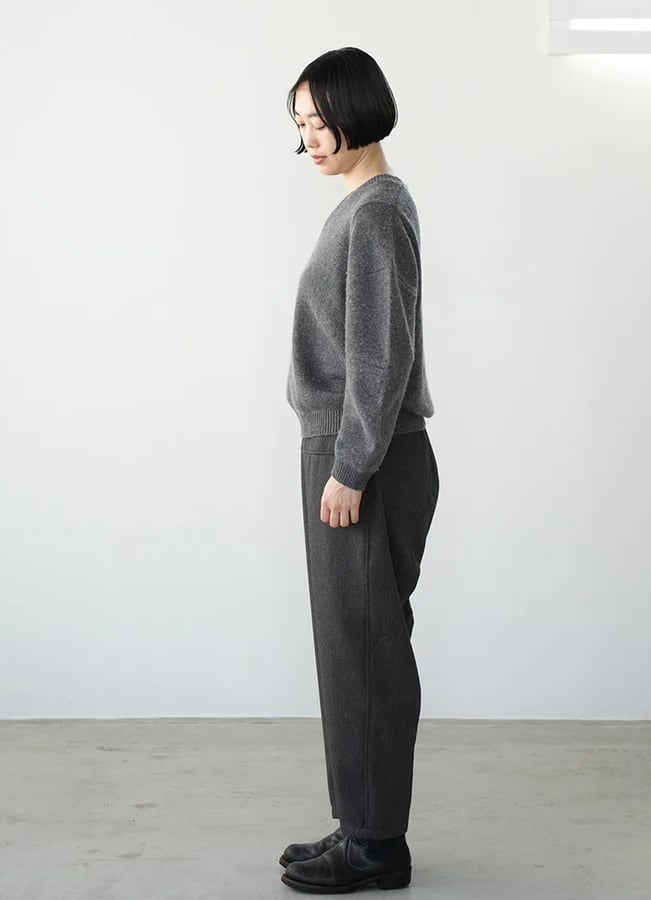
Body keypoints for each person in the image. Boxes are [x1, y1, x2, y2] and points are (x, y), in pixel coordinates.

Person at [280, 46, 440, 894]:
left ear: (358, 110)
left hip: (365, 459)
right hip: (353, 451)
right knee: (348, 647)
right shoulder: (361, 207)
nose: (309, 137)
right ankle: (361, 821)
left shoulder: (376, 212)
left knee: (366, 648)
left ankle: (377, 846)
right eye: (300, 124)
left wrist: (348, 467)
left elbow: (380, 358)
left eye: (319, 120)